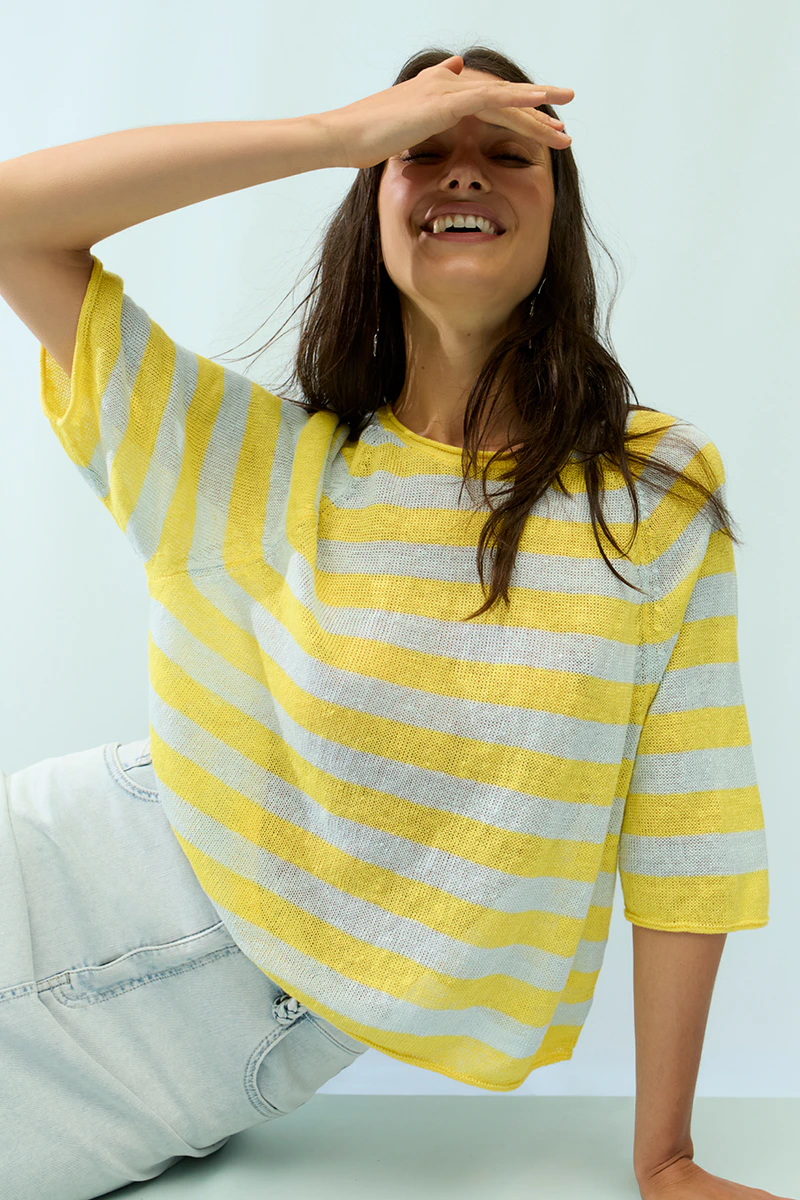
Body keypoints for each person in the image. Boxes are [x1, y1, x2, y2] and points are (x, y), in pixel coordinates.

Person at [0, 45, 779, 1200]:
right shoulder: (245, 462)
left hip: (218, 1049)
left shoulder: (645, 495)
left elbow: (688, 831)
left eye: (504, 153)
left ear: (554, 220)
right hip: (69, 877)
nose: (462, 174)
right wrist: (334, 132)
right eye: (423, 152)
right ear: (373, 202)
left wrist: (664, 1155)